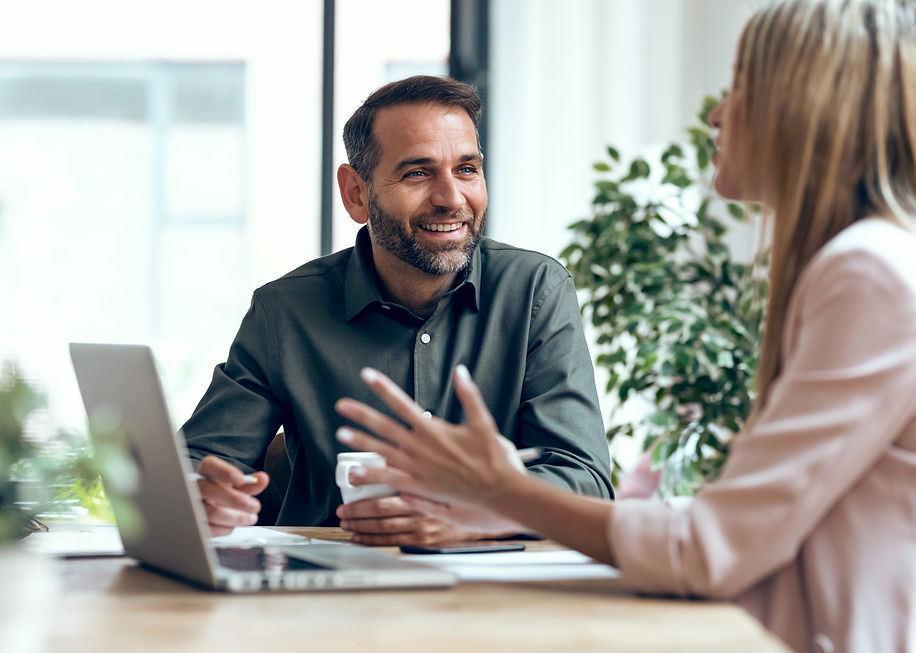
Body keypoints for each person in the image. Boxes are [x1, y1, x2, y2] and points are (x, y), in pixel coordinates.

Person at [332, 1, 916, 650]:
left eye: (742, 87)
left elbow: (709, 548)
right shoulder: (860, 266)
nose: (718, 115)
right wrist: (499, 501)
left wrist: (503, 491)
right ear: (356, 192)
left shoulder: (871, 273)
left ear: (807, 108)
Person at [182, 75, 613, 546]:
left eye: (467, 169)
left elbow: (585, 480)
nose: (451, 198)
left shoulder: (535, 291)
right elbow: (197, 461)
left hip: (489, 592)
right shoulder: (285, 310)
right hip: (327, 587)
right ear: (356, 194)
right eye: (417, 173)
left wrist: (477, 513)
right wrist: (203, 496)